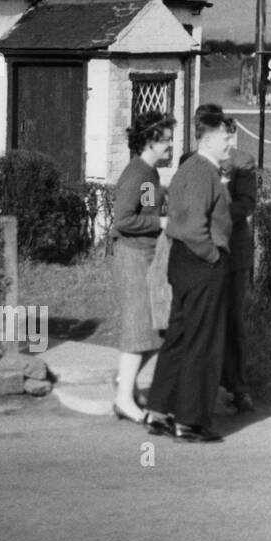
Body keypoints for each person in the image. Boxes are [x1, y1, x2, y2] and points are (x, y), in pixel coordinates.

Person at [143, 105, 235, 443]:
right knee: (203, 342)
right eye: (226, 138)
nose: (230, 144)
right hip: (201, 263)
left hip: (184, 264)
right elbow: (195, 227)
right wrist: (213, 257)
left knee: (180, 338)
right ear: (209, 139)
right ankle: (190, 421)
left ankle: (159, 411)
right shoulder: (203, 172)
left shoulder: (190, 168)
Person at [109, 110, 176, 424]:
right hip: (133, 257)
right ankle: (124, 398)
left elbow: (143, 208)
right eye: (166, 140)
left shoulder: (149, 174)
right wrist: (161, 222)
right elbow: (123, 220)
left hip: (147, 257)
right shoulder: (137, 173)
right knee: (140, 327)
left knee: (154, 329)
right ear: (150, 141)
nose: (171, 146)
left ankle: (126, 383)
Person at [219, 129, 257, 414]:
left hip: (233, 254)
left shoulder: (241, 162)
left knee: (234, 321)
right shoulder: (191, 160)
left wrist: (216, 212)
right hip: (199, 255)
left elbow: (247, 204)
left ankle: (239, 388)